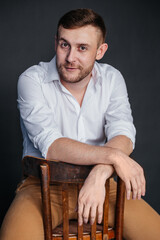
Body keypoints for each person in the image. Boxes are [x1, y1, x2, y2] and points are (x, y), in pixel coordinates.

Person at [0, 8, 160, 240]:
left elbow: (123, 134)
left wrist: (99, 173)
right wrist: (114, 158)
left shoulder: (112, 79)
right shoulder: (32, 79)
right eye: (64, 44)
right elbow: (52, 145)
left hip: (103, 186)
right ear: (55, 41)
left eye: (82, 48)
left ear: (100, 51)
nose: (70, 57)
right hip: (42, 189)